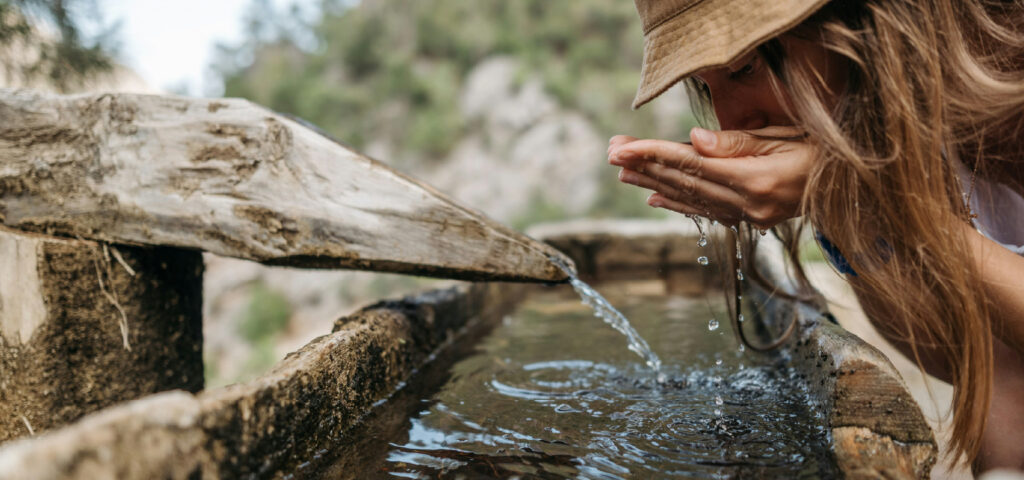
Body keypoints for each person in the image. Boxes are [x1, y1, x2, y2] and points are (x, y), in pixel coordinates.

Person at [607, 0, 1024, 473]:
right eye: (706, 86)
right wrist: (848, 207)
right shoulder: (885, 117)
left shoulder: (1010, 68)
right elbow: (981, 361)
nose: (730, 123)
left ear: (852, 17)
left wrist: (874, 200)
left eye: (745, 68)